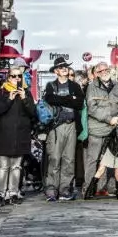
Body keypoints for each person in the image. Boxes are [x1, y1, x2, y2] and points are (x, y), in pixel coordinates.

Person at [40, 59, 83, 202]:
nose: (64, 68)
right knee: (55, 158)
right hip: (56, 126)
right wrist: (69, 98)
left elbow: (79, 103)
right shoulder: (51, 85)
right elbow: (50, 99)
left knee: (69, 159)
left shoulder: (75, 86)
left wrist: (63, 99)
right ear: (56, 71)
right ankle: (52, 189)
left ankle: (65, 189)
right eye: (60, 67)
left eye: (65, 66)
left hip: (72, 125)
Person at [0, 69, 32, 205]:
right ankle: (0, 194)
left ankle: (13, 193)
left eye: (19, 76)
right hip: (4, 135)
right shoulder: (2, 91)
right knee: (3, 166)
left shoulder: (26, 92)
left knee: (16, 167)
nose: (16, 78)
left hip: (20, 135)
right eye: (13, 76)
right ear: (8, 77)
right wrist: (9, 99)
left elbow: (33, 112)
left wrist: (25, 98)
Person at [82, 64, 118, 196]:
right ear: (97, 73)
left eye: (106, 70)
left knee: (111, 159)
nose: (104, 72)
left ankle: (106, 187)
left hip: (113, 128)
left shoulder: (116, 85)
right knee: (93, 159)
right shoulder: (92, 87)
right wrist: (108, 118)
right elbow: (92, 108)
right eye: (101, 71)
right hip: (97, 129)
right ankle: (88, 188)